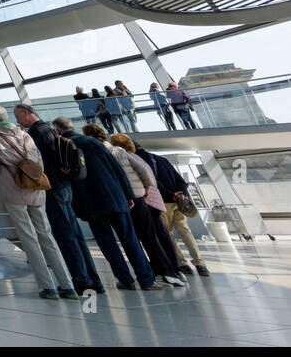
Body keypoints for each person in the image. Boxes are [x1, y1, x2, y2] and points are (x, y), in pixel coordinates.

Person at [52, 118, 158, 291]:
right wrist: (128, 194)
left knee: (107, 243)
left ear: (57, 131)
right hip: (114, 196)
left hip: (90, 202)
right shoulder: (93, 142)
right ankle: (146, 279)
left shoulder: (60, 146)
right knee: (129, 238)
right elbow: (117, 169)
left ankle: (126, 279)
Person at [0, 105, 76, 300]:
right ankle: (68, 285)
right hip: (35, 190)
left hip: (13, 191)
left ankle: (48, 287)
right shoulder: (25, 134)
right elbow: (38, 162)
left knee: (28, 238)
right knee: (47, 236)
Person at [14, 104, 103, 294]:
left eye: (18, 116)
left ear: (26, 113)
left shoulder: (37, 133)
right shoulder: (49, 130)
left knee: (65, 236)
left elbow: (37, 162)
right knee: (75, 234)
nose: (17, 121)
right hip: (63, 186)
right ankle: (93, 280)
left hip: (53, 188)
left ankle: (82, 281)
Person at [104, 133, 186, 286]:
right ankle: (172, 270)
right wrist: (147, 188)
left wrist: (142, 191)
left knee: (145, 237)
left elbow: (137, 176)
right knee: (156, 236)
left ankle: (163, 271)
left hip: (140, 200)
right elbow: (147, 174)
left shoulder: (119, 154)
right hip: (149, 199)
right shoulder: (136, 156)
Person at [134, 141, 209, 277]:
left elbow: (153, 182)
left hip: (163, 203)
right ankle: (200, 263)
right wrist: (181, 194)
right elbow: (180, 180)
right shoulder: (163, 160)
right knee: (186, 232)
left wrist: (170, 195)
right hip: (178, 203)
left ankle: (182, 263)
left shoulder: (140, 161)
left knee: (168, 235)